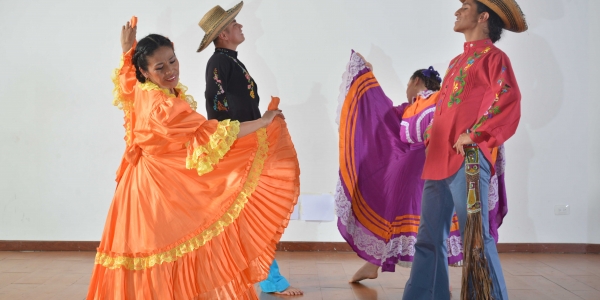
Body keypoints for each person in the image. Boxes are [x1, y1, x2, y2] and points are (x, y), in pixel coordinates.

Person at [86, 18, 300, 299]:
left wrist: (128, 49)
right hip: (152, 189)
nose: (171, 71)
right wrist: (262, 123)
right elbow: (211, 131)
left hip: (143, 182)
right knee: (161, 247)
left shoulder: (143, 88)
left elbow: (128, 80)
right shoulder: (164, 106)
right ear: (146, 71)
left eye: (172, 61)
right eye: (160, 67)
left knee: (158, 251)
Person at [335, 53, 508, 284]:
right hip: (430, 166)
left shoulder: (427, 104)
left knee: (423, 223)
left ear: (417, 82)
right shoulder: (420, 106)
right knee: (427, 224)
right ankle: (394, 271)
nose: (407, 88)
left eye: (408, 84)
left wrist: (365, 76)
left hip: (424, 166)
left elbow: (382, 113)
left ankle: (418, 278)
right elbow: (383, 115)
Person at [402, 0, 526, 299]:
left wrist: (475, 133)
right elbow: (449, 106)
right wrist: (434, 129)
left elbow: (507, 97)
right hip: (438, 158)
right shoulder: (456, 62)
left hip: (467, 159)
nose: (457, 12)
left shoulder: (495, 57)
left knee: (475, 238)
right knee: (428, 238)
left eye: (466, 6)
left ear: (484, 16)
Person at [197, 2, 303, 296]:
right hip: (237, 151)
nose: (240, 26)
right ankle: (262, 279)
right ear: (222, 35)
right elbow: (217, 112)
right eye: (234, 24)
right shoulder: (218, 64)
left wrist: (262, 123)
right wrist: (258, 124)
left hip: (247, 146)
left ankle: (268, 278)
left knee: (249, 216)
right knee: (247, 216)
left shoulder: (230, 61)